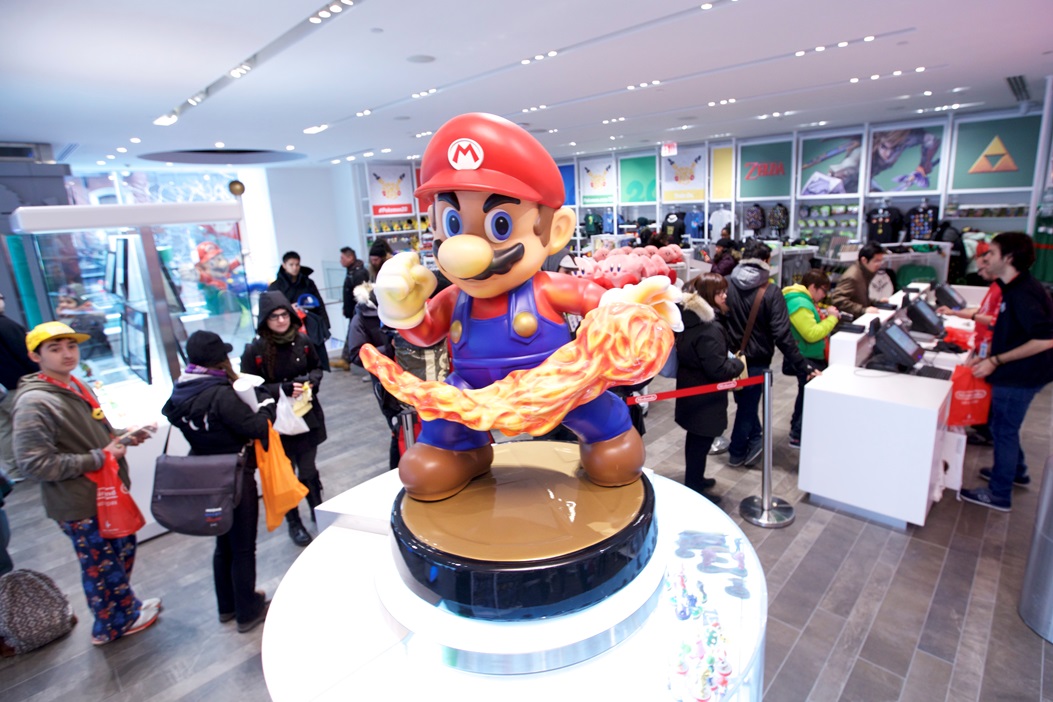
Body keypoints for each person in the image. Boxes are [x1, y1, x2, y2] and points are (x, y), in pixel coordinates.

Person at [373, 112, 677, 501]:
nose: (463, 250)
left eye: (499, 225)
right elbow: (425, 332)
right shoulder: (455, 298)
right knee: (444, 422)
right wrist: (403, 307)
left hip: (555, 385)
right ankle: (460, 451)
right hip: (473, 390)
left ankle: (609, 436)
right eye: (453, 225)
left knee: (593, 412)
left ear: (556, 230)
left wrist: (623, 307)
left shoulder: (546, 287)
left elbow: (594, 300)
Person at [12, 321, 159, 645]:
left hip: (106, 491)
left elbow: (90, 432)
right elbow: (34, 464)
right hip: (79, 501)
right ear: (35, 356)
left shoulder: (74, 384)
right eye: (55, 349)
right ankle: (111, 626)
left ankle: (126, 609)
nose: (67, 354)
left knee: (118, 555)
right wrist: (98, 457)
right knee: (100, 566)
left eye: (71, 346)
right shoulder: (35, 402)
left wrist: (123, 436)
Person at [161, 330, 274, 633]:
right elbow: (257, 427)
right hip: (234, 473)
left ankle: (227, 606)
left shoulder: (181, 391)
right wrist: (266, 403)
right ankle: (248, 610)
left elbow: (173, 415)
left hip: (205, 473)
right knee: (243, 546)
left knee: (223, 541)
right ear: (219, 359)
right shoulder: (221, 394)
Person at [959, 233, 1053, 512]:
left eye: (992, 252)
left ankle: (999, 493)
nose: (986, 257)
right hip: (1020, 372)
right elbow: (1009, 329)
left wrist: (996, 360)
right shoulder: (1012, 287)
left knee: (1003, 430)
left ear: (1008, 258)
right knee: (1004, 427)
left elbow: (1045, 339)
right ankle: (1016, 472)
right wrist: (988, 353)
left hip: (1021, 375)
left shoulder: (1023, 293)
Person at [241, 291, 326, 545]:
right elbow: (249, 387)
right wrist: (280, 389)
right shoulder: (255, 350)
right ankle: (294, 522)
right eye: (274, 316)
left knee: (308, 469)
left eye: (284, 315)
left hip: (306, 416)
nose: (281, 320)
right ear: (264, 320)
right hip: (276, 423)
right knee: (285, 475)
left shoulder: (303, 341)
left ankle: (318, 511)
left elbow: (317, 367)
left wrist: (310, 382)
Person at [724, 240, 819, 467]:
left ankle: (755, 440)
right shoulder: (771, 291)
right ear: (766, 261)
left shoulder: (726, 284)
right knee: (747, 408)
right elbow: (782, 335)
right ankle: (737, 452)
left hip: (731, 358)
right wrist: (802, 365)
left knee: (744, 403)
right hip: (757, 360)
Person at [674, 273, 744, 504]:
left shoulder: (688, 319)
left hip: (692, 391)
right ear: (707, 295)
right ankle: (694, 486)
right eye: (719, 292)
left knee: (696, 440)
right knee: (700, 442)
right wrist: (738, 364)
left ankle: (695, 479)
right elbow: (718, 369)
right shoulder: (708, 329)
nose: (724, 296)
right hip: (704, 397)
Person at [782, 270, 841, 448]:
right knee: (807, 397)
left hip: (808, 355)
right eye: (823, 290)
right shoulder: (800, 303)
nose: (824, 295)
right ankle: (798, 434)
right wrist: (832, 319)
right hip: (806, 358)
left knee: (805, 395)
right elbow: (812, 333)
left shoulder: (804, 301)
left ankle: (798, 431)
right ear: (813, 287)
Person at [0, 291, 38, 480]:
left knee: (4, 429)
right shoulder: (5, 325)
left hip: (4, 389)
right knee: (30, 426)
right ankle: (37, 465)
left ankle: (15, 471)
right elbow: (25, 353)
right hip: (16, 386)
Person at [268, 251, 331, 338]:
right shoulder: (275, 286)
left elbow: (319, 304)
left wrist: (325, 326)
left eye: (297, 264)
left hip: (311, 325)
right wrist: (289, 307)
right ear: (284, 265)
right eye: (291, 265)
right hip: (288, 327)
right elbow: (271, 309)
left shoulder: (308, 283)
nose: (295, 268)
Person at [333, 247, 370, 371]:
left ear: (350, 258)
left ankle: (348, 359)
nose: (341, 260)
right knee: (351, 333)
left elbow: (360, 294)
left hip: (358, 311)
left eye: (342, 258)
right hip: (353, 311)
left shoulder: (358, 273)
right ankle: (346, 359)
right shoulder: (351, 271)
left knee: (355, 335)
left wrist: (356, 310)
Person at [829, 241, 885, 318]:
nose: (879, 264)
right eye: (876, 261)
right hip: (851, 320)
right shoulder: (852, 276)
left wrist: (876, 302)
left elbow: (858, 297)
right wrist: (863, 310)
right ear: (864, 260)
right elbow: (838, 300)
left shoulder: (865, 272)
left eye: (881, 261)